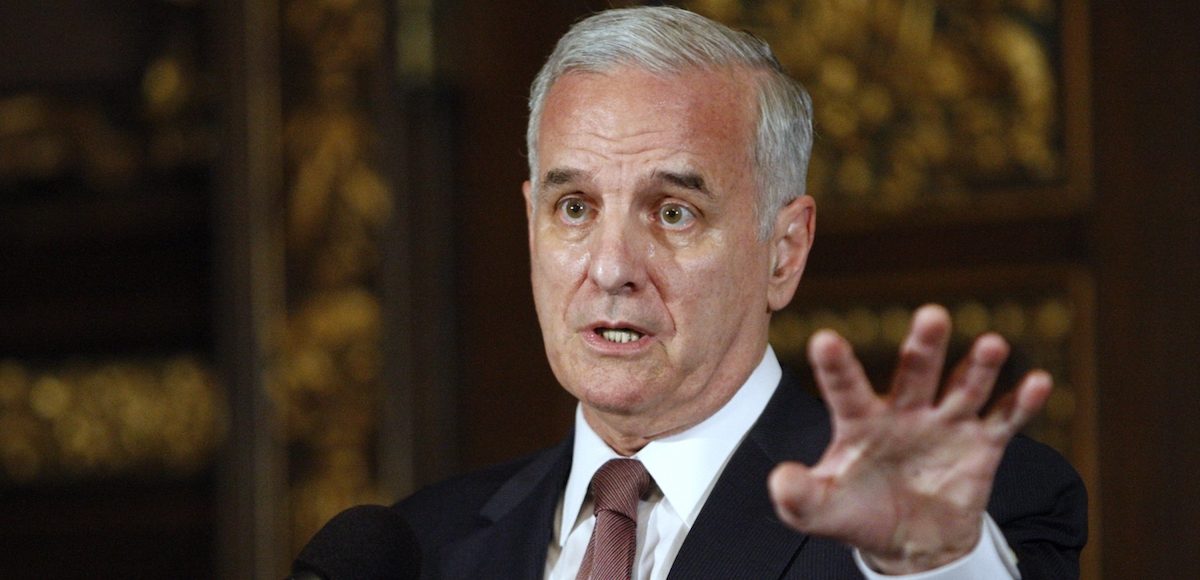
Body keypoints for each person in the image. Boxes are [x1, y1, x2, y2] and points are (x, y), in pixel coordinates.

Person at [396, 6, 1086, 579]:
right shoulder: (416, 548)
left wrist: (936, 567)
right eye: (574, 208)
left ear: (784, 252)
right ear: (529, 223)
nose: (610, 268)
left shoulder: (946, 516)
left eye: (674, 212)